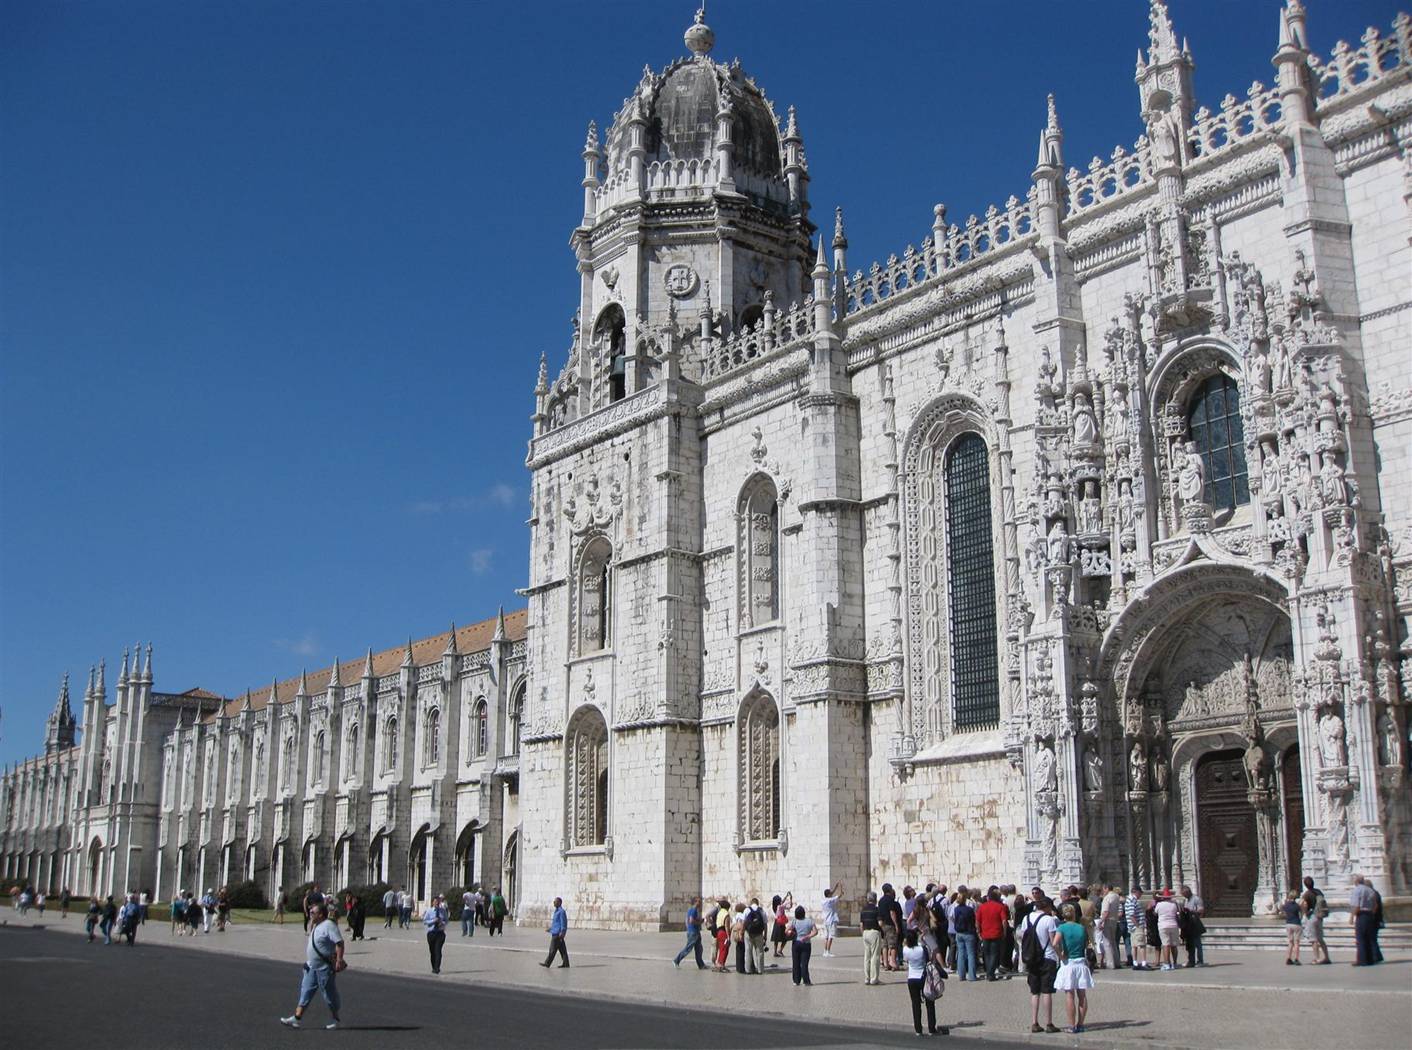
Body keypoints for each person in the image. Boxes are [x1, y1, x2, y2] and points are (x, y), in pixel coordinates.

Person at [281, 901, 345, 1030]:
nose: (310, 914)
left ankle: (335, 1019)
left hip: (324, 968)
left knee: (329, 994)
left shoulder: (329, 925)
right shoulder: (316, 925)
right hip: (312, 967)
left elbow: (339, 943)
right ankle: (296, 1018)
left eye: (312, 912)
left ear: (321, 914)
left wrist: (339, 960)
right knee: (306, 991)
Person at [1019, 896, 1060, 1034]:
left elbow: (1024, 937)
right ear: (1047, 907)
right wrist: (1060, 956)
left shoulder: (1026, 919)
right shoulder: (1049, 920)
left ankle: (1034, 1022)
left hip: (1031, 958)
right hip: (1047, 958)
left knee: (1035, 992)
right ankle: (1049, 1023)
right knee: (1047, 991)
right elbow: (1053, 941)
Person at [1053, 903, 1094, 1034]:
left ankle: (1071, 1025)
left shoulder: (1062, 927)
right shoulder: (1081, 928)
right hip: (1081, 962)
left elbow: (1054, 943)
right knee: (1082, 996)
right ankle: (1080, 1024)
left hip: (1069, 962)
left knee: (1069, 995)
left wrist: (1061, 955)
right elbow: (1086, 943)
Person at [902, 928, 945, 1035]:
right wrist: (922, 940)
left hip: (911, 978)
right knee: (929, 1002)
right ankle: (931, 1028)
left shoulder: (905, 950)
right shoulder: (922, 949)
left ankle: (918, 1029)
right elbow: (929, 959)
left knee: (915, 1004)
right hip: (923, 977)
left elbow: (906, 959)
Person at [977, 886, 1010, 981]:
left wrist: (979, 931)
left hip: (985, 933)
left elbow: (977, 921)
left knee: (987, 954)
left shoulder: (982, 907)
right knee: (994, 954)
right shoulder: (1000, 907)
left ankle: (989, 972)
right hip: (996, 933)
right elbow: (1004, 921)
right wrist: (1004, 932)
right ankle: (990, 973)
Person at [1349, 875, 1381, 967]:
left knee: (1361, 938)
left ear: (1356, 881)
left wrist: (1352, 917)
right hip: (1370, 915)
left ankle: (1362, 960)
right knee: (1369, 937)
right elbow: (1375, 905)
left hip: (1361, 915)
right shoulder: (1370, 890)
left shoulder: (1357, 890)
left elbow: (1356, 905)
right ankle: (1370, 959)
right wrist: (1372, 913)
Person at [1299, 877, 1329, 965]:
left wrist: (1305, 913)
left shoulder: (1307, 894)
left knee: (1313, 939)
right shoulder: (1318, 892)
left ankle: (1317, 958)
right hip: (1320, 916)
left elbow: (1302, 904)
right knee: (1320, 939)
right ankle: (1326, 957)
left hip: (1312, 916)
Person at [951, 889, 978, 982]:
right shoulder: (969, 910)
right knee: (971, 954)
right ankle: (972, 975)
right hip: (969, 932)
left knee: (961, 954)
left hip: (959, 933)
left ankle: (961, 975)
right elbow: (973, 920)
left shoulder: (956, 909)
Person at [788, 904, 816, 986]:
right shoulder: (809, 921)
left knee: (795, 962)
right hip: (806, 944)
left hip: (796, 943)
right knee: (804, 963)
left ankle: (796, 981)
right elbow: (815, 932)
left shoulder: (794, 921)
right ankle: (806, 981)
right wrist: (808, 936)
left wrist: (792, 933)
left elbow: (786, 931)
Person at [675, 895, 706, 969]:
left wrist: (688, 928)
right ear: (695, 902)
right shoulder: (694, 909)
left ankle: (701, 965)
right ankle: (676, 960)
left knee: (699, 949)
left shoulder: (690, 910)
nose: (700, 902)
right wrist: (699, 922)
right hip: (694, 933)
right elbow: (691, 920)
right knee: (688, 949)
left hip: (694, 932)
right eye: (699, 901)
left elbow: (687, 920)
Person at [1154, 889, 1181, 970]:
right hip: (1173, 925)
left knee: (1166, 945)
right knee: (1174, 945)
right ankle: (1175, 963)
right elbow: (1178, 913)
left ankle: (1166, 964)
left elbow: (1155, 913)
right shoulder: (1174, 904)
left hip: (1163, 925)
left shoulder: (1159, 904)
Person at [860, 891, 883, 985]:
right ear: (875, 899)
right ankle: (874, 979)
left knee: (867, 957)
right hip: (874, 932)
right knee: (875, 956)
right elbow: (880, 923)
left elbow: (861, 924)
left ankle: (867, 978)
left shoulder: (863, 910)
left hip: (865, 933)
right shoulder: (877, 910)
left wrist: (863, 933)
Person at [1180, 884, 1206, 967]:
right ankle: (1191, 961)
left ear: (1188, 892)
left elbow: (1201, 910)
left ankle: (1200, 961)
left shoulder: (1196, 899)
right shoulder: (1186, 900)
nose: (1184, 896)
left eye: (1184, 894)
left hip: (1195, 923)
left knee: (1197, 943)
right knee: (1190, 944)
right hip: (1188, 925)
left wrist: (1191, 911)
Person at [540, 896, 569, 968]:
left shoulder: (561, 912)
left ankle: (547, 963)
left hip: (558, 934)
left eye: (555, 901)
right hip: (555, 932)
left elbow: (563, 923)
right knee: (563, 950)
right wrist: (550, 929)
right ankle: (566, 964)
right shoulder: (556, 911)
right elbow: (556, 923)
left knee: (552, 949)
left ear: (559, 903)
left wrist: (563, 932)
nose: (554, 903)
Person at [1124, 886, 1149, 970]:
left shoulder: (1130, 900)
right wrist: (1138, 925)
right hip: (1136, 926)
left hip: (1132, 927)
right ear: (1136, 892)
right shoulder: (1132, 900)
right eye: (1140, 893)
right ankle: (1143, 962)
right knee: (1141, 945)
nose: (1141, 895)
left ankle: (1135, 962)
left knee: (1134, 945)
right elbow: (1131, 914)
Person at [1096, 884, 1120, 970]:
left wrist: (1101, 921)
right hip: (1114, 920)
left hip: (1107, 920)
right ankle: (1117, 961)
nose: (1103, 891)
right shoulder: (1116, 896)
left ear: (1106, 888)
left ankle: (1110, 963)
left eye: (1104, 889)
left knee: (1107, 943)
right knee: (1113, 942)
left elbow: (1105, 911)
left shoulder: (1107, 898)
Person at [423, 894, 448, 974]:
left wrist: (441, 922)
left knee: (438, 950)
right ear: (432, 903)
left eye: (438, 902)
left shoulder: (443, 911)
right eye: (435, 902)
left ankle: (437, 968)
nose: (437, 903)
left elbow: (446, 921)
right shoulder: (429, 911)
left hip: (440, 933)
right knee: (432, 951)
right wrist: (433, 921)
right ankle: (433, 966)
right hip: (431, 933)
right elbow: (425, 921)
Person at [745, 898, 768, 975]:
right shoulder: (762, 911)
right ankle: (760, 970)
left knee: (748, 951)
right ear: (758, 903)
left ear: (751, 903)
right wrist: (765, 935)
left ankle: (748, 970)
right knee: (760, 952)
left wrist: (742, 933)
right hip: (759, 934)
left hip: (749, 934)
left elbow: (743, 922)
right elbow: (765, 924)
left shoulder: (747, 910)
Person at [820, 881, 843, 957]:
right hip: (831, 920)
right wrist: (840, 887)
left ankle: (824, 951)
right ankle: (828, 951)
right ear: (829, 894)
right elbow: (840, 894)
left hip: (825, 921)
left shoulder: (823, 901)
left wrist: (835, 887)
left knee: (826, 937)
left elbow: (831, 894)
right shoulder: (831, 900)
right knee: (831, 937)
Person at [1281, 890, 1303, 965]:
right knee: (1297, 942)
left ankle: (1288, 958)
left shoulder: (1286, 905)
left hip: (1288, 924)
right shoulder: (1297, 906)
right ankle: (1296, 959)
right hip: (1296, 923)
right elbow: (1300, 915)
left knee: (1290, 942)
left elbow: (1283, 912)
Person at [731, 902, 748, 974]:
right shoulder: (743, 915)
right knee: (742, 951)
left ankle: (738, 967)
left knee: (738, 950)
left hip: (736, 934)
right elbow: (745, 924)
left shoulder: (735, 916)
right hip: (742, 934)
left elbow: (733, 925)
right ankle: (742, 968)